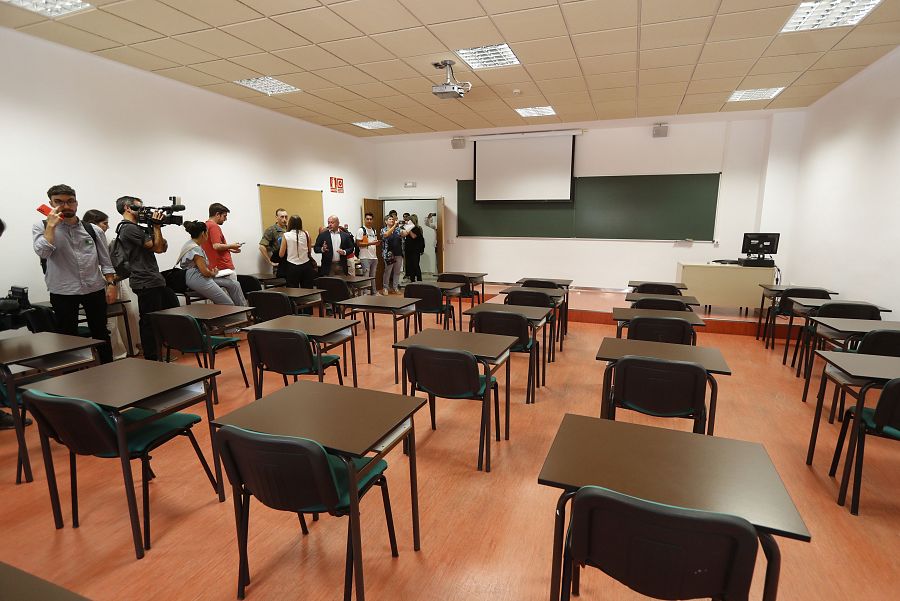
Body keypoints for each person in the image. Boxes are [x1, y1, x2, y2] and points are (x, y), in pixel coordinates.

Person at [32, 184, 116, 363]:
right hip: (63, 291)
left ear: (76, 203)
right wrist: (51, 228)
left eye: (70, 201)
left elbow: (105, 261)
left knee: (101, 332)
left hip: (94, 288)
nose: (66, 206)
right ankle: (72, 374)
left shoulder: (94, 230)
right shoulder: (41, 227)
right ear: (51, 203)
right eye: (59, 202)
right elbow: (43, 253)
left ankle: (108, 367)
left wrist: (111, 284)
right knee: (67, 335)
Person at [114, 196, 180, 361]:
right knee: (149, 322)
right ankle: (152, 358)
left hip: (153, 279)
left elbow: (162, 247)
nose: (144, 211)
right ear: (128, 208)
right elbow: (158, 247)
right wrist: (156, 227)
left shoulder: (139, 228)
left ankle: (159, 354)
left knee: (159, 317)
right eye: (140, 208)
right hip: (144, 281)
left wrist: (155, 228)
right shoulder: (128, 229)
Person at [83, 209, 136, 359]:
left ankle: (131, 348)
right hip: (104, 283)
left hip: (115, 279)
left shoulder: (105, 238)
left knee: (128, 314)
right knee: (110, 323)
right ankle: (115, 355)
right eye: (104, 223)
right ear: (93, 224)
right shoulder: (90, 239)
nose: (107, 226)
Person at [179, 221, 245, 306]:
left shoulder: (190, 244)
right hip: (195, 278)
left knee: (234, 284)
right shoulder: (195, 248)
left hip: (199, 275)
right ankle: (233, 317)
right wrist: (214, 273)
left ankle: (244, 312)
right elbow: (205, 272)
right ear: (203, 233)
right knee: (227, 303)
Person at [201, 203, 247, 305]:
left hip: (213, 267)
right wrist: (231, 245)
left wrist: (230, 249)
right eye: (224, 216)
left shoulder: (205, 226)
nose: (225, 219)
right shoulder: (214, 226)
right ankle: (244, 316)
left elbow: (212, 247)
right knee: (233, 299)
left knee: (221, 301)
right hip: (223, 267)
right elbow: (216, 246)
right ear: (217, 214)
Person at [279, 215, 316, 289]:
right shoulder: (306, 234)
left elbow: (281, 254)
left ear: (290, 223)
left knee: (293, 290)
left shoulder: (286, 235)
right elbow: (309, 250)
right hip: (306, 265)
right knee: (307, 290)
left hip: (292, 266)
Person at [380, 214, 408, 295]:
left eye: (393, 219)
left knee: (397, 272)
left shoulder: (398, 229)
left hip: (398, 253)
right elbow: (386, 235)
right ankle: (385, 287)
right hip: (389, 254)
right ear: (386, 221)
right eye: (390, 219)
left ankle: (395, 287)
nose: (392, 221)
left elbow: (405, 233)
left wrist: (408, 225)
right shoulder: (383, 230)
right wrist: (395, 225)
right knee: (388, 271)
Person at [258, 208, 288, 278]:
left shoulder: (290, 229)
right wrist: (270, 262)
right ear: (276, 218)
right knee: (281, 288)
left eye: (286, 217)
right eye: (282, 217)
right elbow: (262, 247)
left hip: (291, 263)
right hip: (280, 263)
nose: (284, 219)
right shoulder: (271, 230)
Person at [356, 212, 379, 294]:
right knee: (366, 277)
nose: (369, 221)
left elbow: (374, 241)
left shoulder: (374, 230)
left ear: (372, 220)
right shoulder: (361, 230)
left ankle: (374, 292)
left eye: (370, 219)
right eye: (367, 219)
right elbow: (358, 243)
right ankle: (365, 294)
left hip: (374, 257)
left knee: (373, 277)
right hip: (365, 257)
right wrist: (370, 243)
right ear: (365, 220)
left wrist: (376, 243)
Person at [404, 214, 425, 282]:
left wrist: (408, 229)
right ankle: (412, 280)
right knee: (410, 266)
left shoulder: (417, 228)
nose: (406, 221)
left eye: (408, 220)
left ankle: (419, 280)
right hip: (408, 250)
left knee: (415, 265)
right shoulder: (407, 228)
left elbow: (413, 236)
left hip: (415, 250)